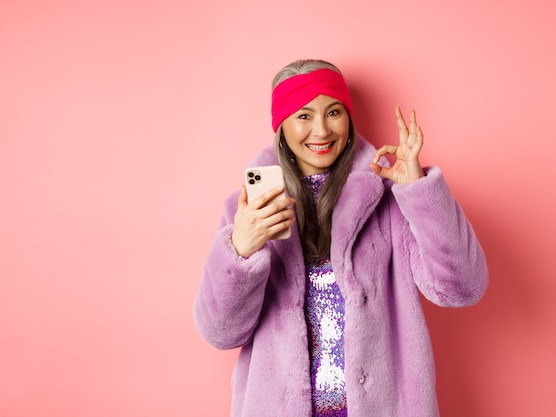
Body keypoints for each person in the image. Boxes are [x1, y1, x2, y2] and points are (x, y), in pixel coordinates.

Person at [193, 59, 488, 417]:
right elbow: (220, 333)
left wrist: (419, 192)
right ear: (281, 126)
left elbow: (462, 288)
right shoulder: (248, 212)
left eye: (333, 112)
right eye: (303, 116)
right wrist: (241, 250)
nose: (321, 130)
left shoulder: (388, 199)